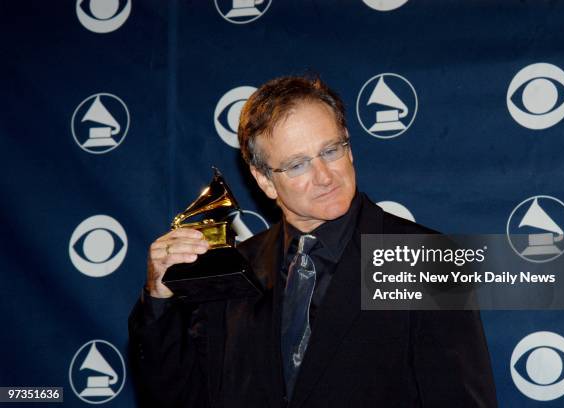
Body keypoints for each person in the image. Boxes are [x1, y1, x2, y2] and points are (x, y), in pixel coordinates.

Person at [128, 75, 498, 407]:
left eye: (331, 150)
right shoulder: (235, 266)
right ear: (264, 180)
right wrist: (159, 300)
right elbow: (179, 396)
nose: (324, 176)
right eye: (298, 164)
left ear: (349, 148)